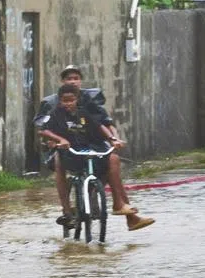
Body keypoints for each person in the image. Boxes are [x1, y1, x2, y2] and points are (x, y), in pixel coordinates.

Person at [38, 82, 155, 232]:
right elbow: (44, 131)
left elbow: (101, 126)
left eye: (71, 100)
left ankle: (119, 205)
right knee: (59, 160)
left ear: (77, 99)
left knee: (113, 159)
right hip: (71, 155)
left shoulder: (85, 112)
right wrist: (60, 140)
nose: (68, 104)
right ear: (59, 100)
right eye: (64, 100)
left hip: (91, 151)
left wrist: (112, 139)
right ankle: (67, 211)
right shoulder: (56, 114)